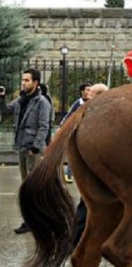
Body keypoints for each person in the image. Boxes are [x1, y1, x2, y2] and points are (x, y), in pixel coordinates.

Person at [0, 67, 51, 234]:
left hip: (33, 150)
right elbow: (6, 111)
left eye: (27, 80)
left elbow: (44, 126)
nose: (23, 83)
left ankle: (35, 221)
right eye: (23, 80)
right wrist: (1, 97)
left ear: (35, 83)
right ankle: (33, 220)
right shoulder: (21, 100)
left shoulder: (42, 102)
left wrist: (36, 147)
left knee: (33, 186)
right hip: (21, 147)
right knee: (26, 186)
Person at [72, 83, 109, 248]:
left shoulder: (107, 114)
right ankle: (75, 240)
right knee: (87, 205)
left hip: (104, 168)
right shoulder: (85, 112)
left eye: (93, 94)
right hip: (92, 168)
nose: (88, 96)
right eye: (88, 93)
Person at [61, 81, 93, 183]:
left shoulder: (94, 102)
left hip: (90, 133)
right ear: (82, 92)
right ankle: (69, 174)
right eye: (88, 90)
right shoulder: (78, 104)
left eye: (91, 90)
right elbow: (69, 116)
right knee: (75, 153)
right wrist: (63, 126)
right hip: (78, 132)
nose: (90, 92)